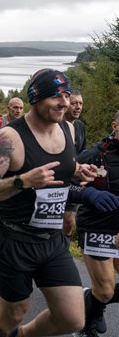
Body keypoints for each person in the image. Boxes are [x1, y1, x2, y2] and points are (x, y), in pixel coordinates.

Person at [0, 68, 106, 337]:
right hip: (13, 239)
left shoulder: (67, 128)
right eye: (55, 97)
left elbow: (65, 165)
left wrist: (78, 171)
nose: (65, 103)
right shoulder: (9, 138)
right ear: (35, 98)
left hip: (52, 238)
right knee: (13, 313)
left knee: (72, 318)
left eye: (67, 95)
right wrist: (22, 181)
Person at [72, 111, 119, 337]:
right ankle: (86, 325)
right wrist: (88, 192)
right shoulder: (96, 153)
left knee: (103, 293)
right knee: (106, 290)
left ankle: (94, 299)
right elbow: (64, 182)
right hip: (97, 226)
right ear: (115, 126)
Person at [64, 91, 86, 237]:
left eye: (80, 103)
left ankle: (62, 247)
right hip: (56, 180)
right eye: (74, 103)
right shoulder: (56, 125)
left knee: (70, 221)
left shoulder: (80, 126)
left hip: (74, 181)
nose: (78, 107)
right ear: (66, 105)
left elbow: (83, 152)